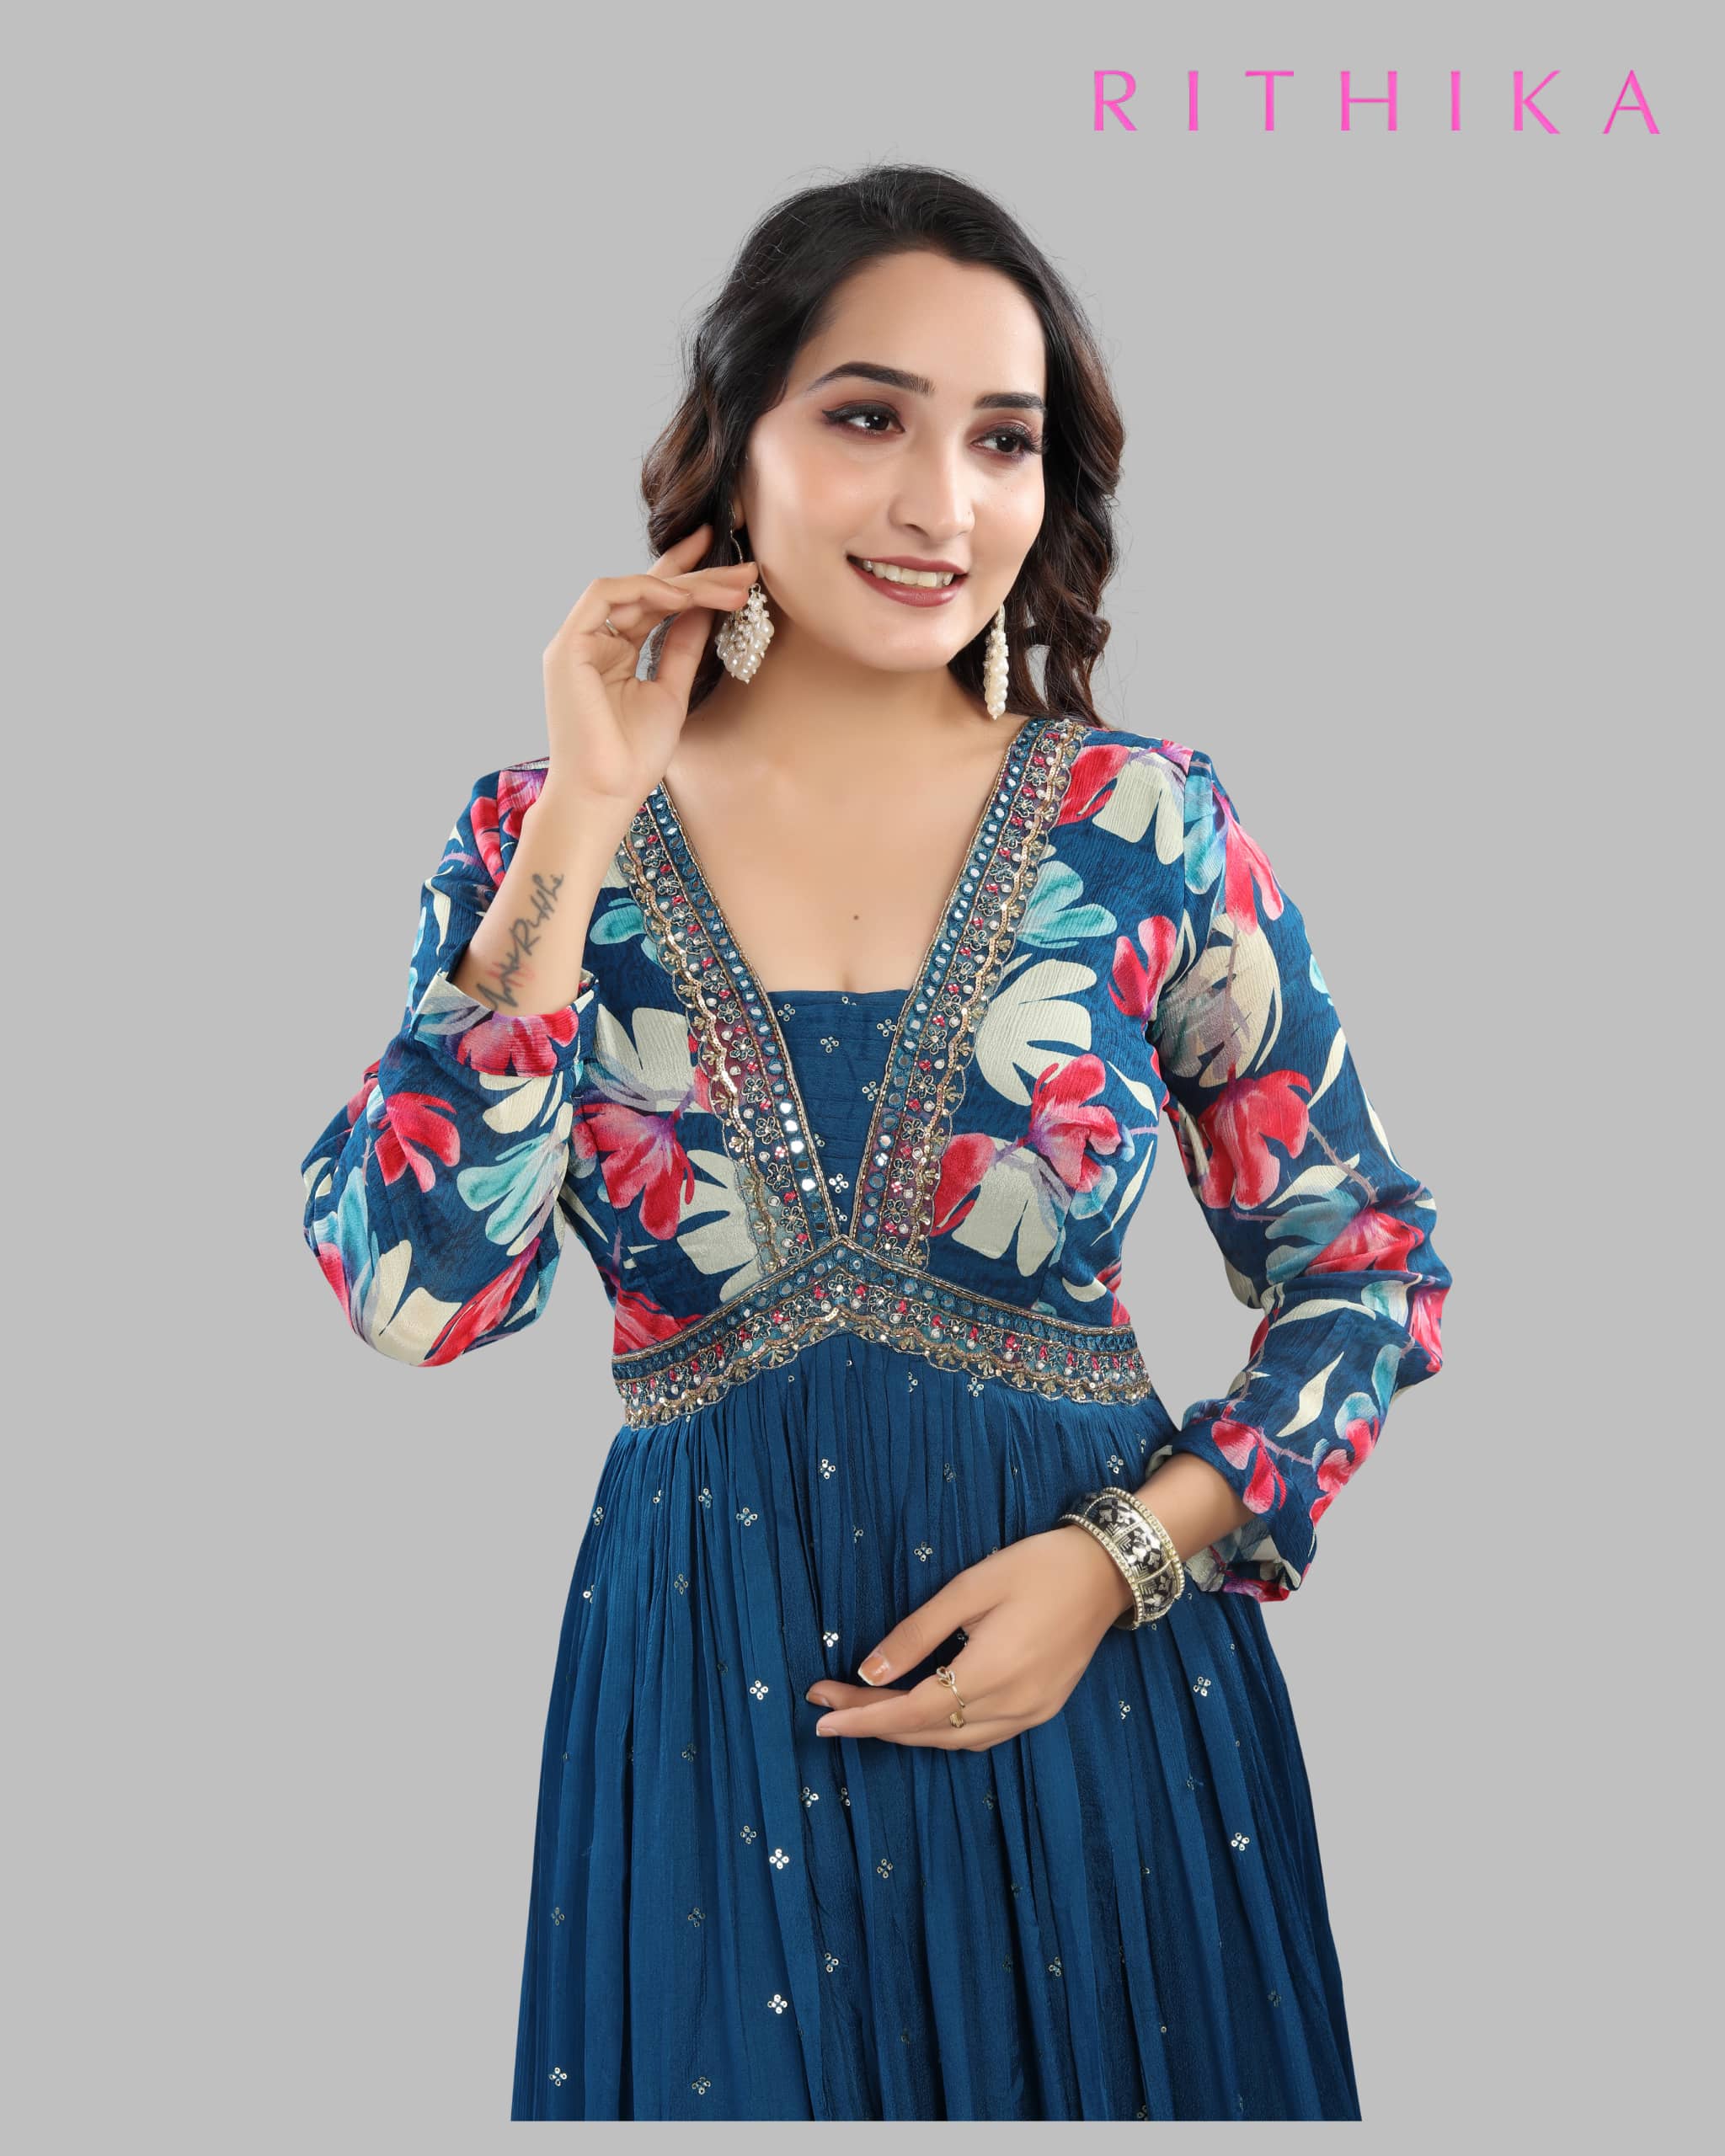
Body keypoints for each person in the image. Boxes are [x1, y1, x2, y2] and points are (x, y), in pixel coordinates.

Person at [298, 163, 1450, 2122]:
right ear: (731, 441)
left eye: (1001, 440)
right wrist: (583, 805)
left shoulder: (1143, 824)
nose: (941, 504)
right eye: (866, 417)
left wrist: (1118, 1560)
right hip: (708, 1722)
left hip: (1108, 1715)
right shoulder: (539, 843)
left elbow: (1367, 1266)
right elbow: (415, 1290)